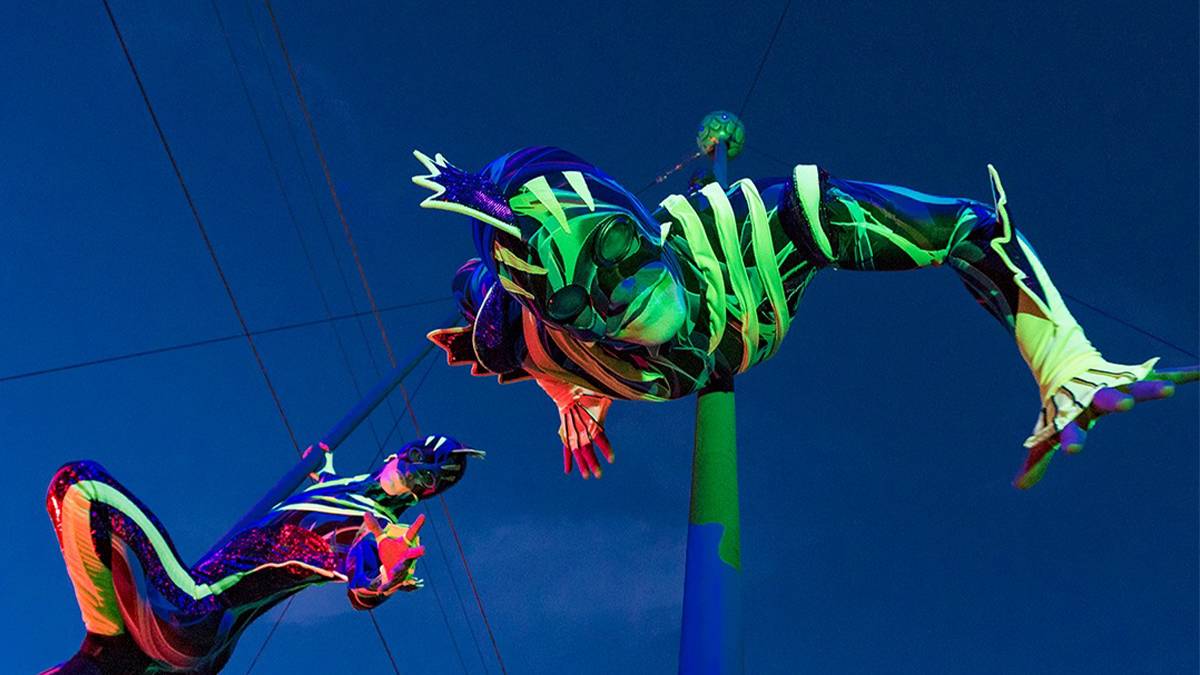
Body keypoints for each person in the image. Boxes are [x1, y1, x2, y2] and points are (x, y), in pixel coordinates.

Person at [414, 147, 1194, 488]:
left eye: (615, 247)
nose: (613, 293)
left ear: (634, 214)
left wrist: (1063, 360)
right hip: (549, 347)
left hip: (698, 317)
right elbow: (528, 330)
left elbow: (970, 230)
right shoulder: (550, 334)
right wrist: (563, 389)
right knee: (483, 316)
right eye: (577, 297)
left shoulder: (765, 231)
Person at [42, 435, 482, 674]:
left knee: (81, 487)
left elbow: (356, 557)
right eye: (424, 459)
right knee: (97, 663)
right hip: (185, 643)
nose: (426, 474)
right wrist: (320, 468)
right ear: (398, 454)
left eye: (435, 478)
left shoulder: (375, 522)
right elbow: (328, 488)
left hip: (196, 612)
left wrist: (376, 573)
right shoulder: (339, 486)